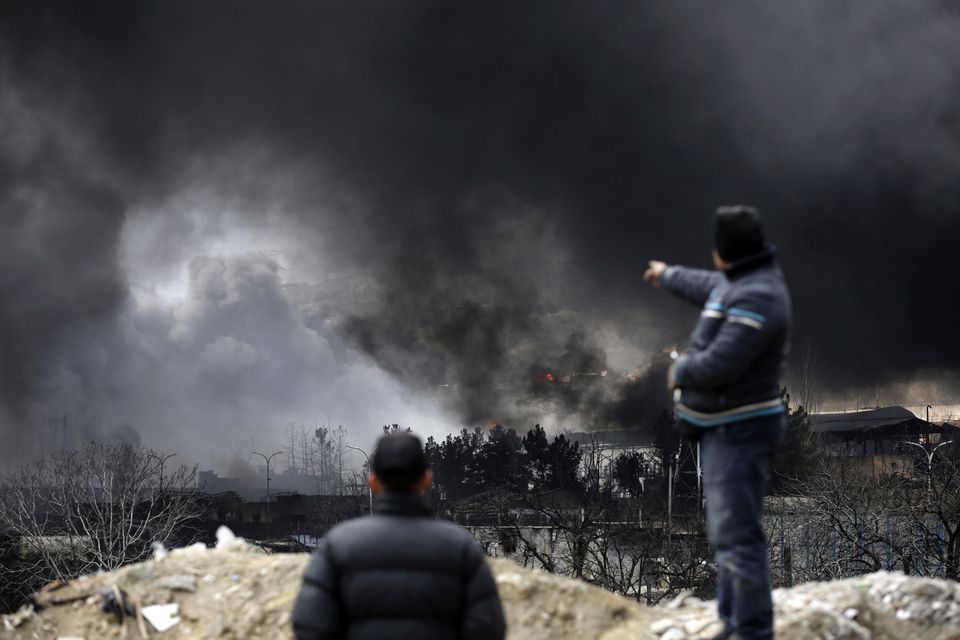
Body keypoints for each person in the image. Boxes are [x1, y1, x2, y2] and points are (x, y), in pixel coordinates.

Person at [643, 205, 791, 640]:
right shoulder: (742, 282)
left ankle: (751, 631)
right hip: (726, 427)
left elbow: (724, 361)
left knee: (738, 535)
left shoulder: (759, 296)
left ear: (721, 252)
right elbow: (705, 284)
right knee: (727, 533)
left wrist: (680, 370)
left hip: (741, 430)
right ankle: (734, 622)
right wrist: (667, 274)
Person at [291, 432, 507, 640]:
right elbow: (488, 628)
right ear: (426, 480)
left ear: (373, 482)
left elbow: (310, 626)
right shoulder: (459, 545)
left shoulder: (338, 543)